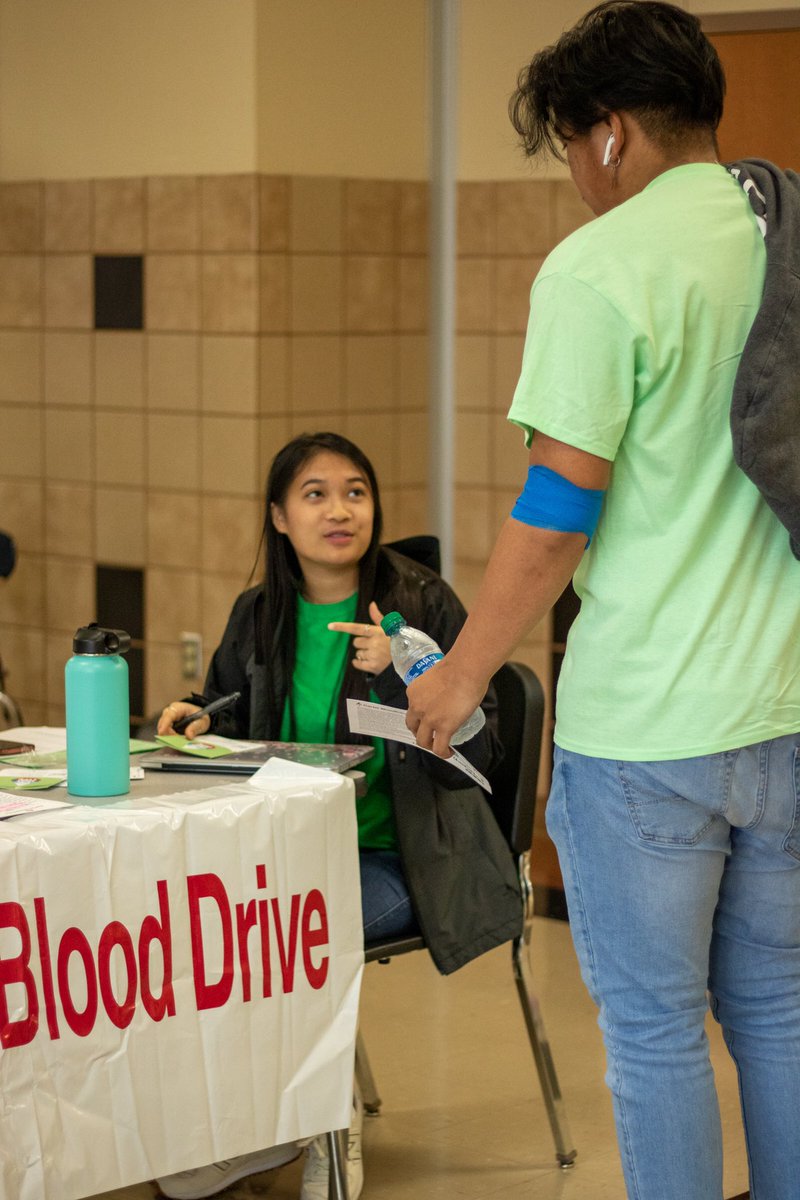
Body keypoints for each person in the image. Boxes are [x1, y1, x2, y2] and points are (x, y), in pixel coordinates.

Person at [404, 4, 800, 1198]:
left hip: (648, 735)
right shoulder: (780, 227)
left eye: (571, 147)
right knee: (778, 1013)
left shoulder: (600, 263)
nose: (577, 176)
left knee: (653, 1032)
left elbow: (556, 511)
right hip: (785, 712)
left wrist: (463, 671)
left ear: (610, 133)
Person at [154, 431, 521, 1200]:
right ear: (280, 518)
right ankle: (236, 1125)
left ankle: (312, 1125)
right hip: (279, 854)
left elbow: (475, 754)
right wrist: (195, 714)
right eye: (315, 495)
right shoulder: (261, 612)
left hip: (401, 854)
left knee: (293, 932)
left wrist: (404, 674)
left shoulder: (418, 603)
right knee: (190, 926)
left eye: (355, 491)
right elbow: (227, 707)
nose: (340, 510)